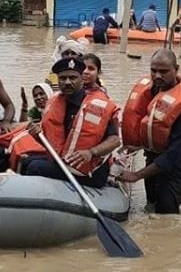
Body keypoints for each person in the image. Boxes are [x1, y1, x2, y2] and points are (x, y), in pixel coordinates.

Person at [119, 49, 181, 213]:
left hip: (175, 167)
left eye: (164, 71)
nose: (158, 76)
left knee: (166, 214)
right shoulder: (151, 91)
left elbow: (177, 152)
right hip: (151, 159)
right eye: (154, 70)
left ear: (176, 69)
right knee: (150, 206)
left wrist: (137, 175)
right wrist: (133, 145)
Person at [25, 57, 121, 188]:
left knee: (34, 167)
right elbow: (53, 143)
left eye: (72, 78)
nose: (67, 82)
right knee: (26, 161)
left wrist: (91, 152)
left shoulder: (98, 106)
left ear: (81, 78)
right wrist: (37, 133)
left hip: (89, 172)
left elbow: (115, 140)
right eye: (63, 78)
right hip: (64, 163)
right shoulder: (55, 103)